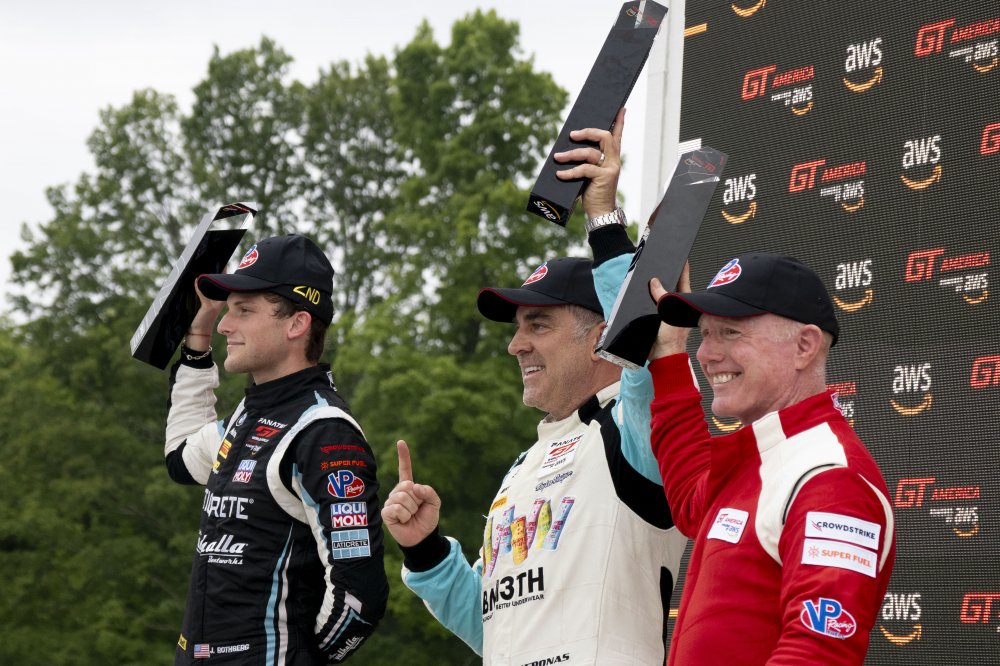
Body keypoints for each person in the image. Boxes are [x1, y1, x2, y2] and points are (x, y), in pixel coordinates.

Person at [380, 109, 687, 665]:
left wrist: (602, 216)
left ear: (601, 337)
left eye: (538, 326)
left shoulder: (635, 430)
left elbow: (642, 343)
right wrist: (425, 549)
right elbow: (495, 628)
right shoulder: (523, 468)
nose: (515, 345)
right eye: (518, 328)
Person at [647, 253, 896, 664]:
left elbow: (817, 653)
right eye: (704, 334)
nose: (706, 353)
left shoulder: (831, 479)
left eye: (730, 332)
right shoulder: (766, 457)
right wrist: (670, 351)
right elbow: (692, 500)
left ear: (804, 346)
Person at [163, 234, 388, 664]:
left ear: (296, 324)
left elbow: (360, 595)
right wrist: (197, 337)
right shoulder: (247, 416)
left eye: (244, 310)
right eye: (229, 310)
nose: (225, 325)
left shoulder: (323, 431)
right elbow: (179, 459)